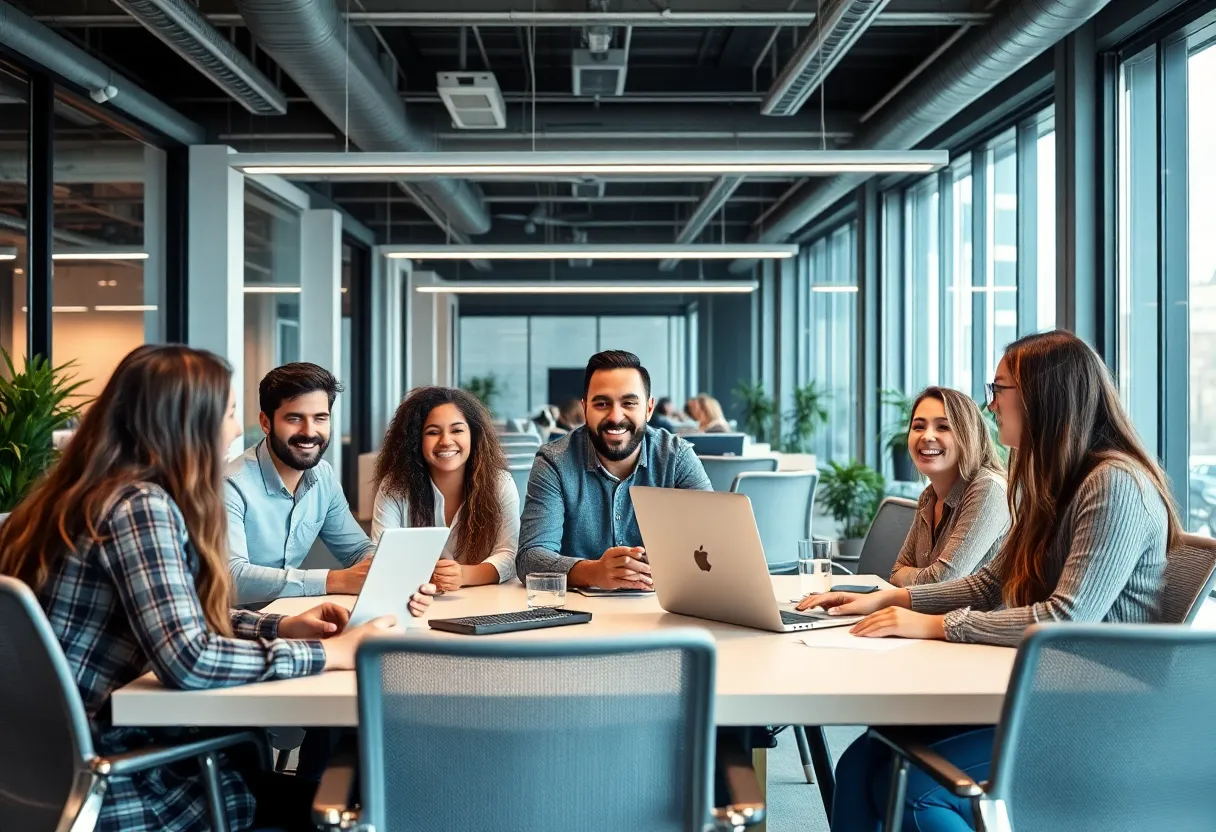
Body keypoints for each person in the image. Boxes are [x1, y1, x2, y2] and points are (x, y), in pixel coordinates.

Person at [0, 344, 434, 832]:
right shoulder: (140, 506)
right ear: (185, 421)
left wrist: (284, 625)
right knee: (351, 793)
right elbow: (190, 660)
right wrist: (330, 654)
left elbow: (170, 612)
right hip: (134, 779)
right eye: (227, 414)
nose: (233, 430)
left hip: (49, 773)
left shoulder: (79, 495)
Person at [800, 330, 1180, 832]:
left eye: (998, 389)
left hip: (1092, 716)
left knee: (916, 793)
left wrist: (936, 627)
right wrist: (892, 599)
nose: (990, 403)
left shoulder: (1112, 484)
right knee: (862, 765)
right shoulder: (1053, 483)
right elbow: (986, 586)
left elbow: (1066, 619)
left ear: (1040, 395)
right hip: (1042, 691)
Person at [516, 350, 711, 590]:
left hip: (663, 608)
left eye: (629, 403)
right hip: (579, 615)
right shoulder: (554, 462)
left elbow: (715, 542)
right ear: (585, 408)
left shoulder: (676, 457)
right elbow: (530, 558)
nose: (616, 416)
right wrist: (593, 572)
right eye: (601, 404)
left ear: (649, 409)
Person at [225, 363, 373, 606]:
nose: (309, 432)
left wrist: (389, 571)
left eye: (320, 418)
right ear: (266, 422)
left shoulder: (322, 475)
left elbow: (357, 550)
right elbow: (231, 579)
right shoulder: (231, 485)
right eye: (294, 418)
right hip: (233, 628)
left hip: (291, 617)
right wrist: (333, 580)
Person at [371, 386, 519, 588]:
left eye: (457, 430)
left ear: (473, 436)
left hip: (488, 600)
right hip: (416, 601)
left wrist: (465, 575)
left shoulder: (500, 483)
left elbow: (510, 555)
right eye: (432, 432)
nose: (446, 441)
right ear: (415, 440)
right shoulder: (395, 487)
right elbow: (381, 557)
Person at [888, 387, 1009, 587]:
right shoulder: (929, 496)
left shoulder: (988, 490)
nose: (927, 436)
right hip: (926, 616)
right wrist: (925, 576)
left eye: (943, 427)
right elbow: (895, 572)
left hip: (970, 619)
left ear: (967, 435)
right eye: (918, 426)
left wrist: (915, 576)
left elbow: (942, 582)